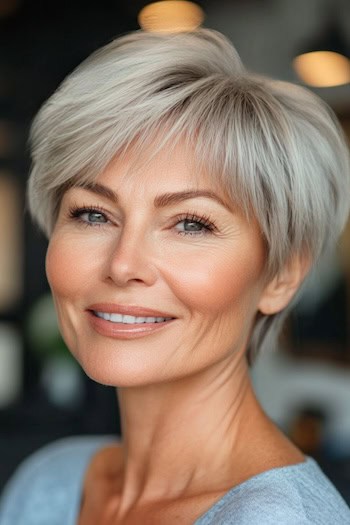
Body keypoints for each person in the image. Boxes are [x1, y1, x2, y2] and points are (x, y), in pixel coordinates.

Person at [1, 27, 350, 524]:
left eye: (191, 223)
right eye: (93, 214)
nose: (122, 264)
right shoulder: (51, 482)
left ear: (281, 276)